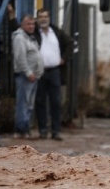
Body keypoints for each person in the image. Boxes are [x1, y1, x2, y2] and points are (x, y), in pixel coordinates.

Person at [34, 8, 73, 141]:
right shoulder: (34, 33)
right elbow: (18, 30)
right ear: (37, 19)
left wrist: (64, 58)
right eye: (41, 17)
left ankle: (56, 131)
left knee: (56, 102)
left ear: (49, 18)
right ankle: (43, 130)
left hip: (55, 71)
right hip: (40, 72)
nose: (43, 19)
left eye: (45, 16)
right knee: (40, 101)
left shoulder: (56, 32)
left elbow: (70, 43)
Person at [12, 15, 44, 139]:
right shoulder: (20, 38)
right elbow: (20, 58)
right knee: (23, 103)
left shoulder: (30, 38)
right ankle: (20, 130)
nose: (31, 26)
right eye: (28, 24)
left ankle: (25, 128)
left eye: (32, 24)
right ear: (22, 25)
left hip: (33, 76)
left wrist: (36, 73)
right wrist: (28, 72)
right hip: (25, 76)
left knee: (29, 104)